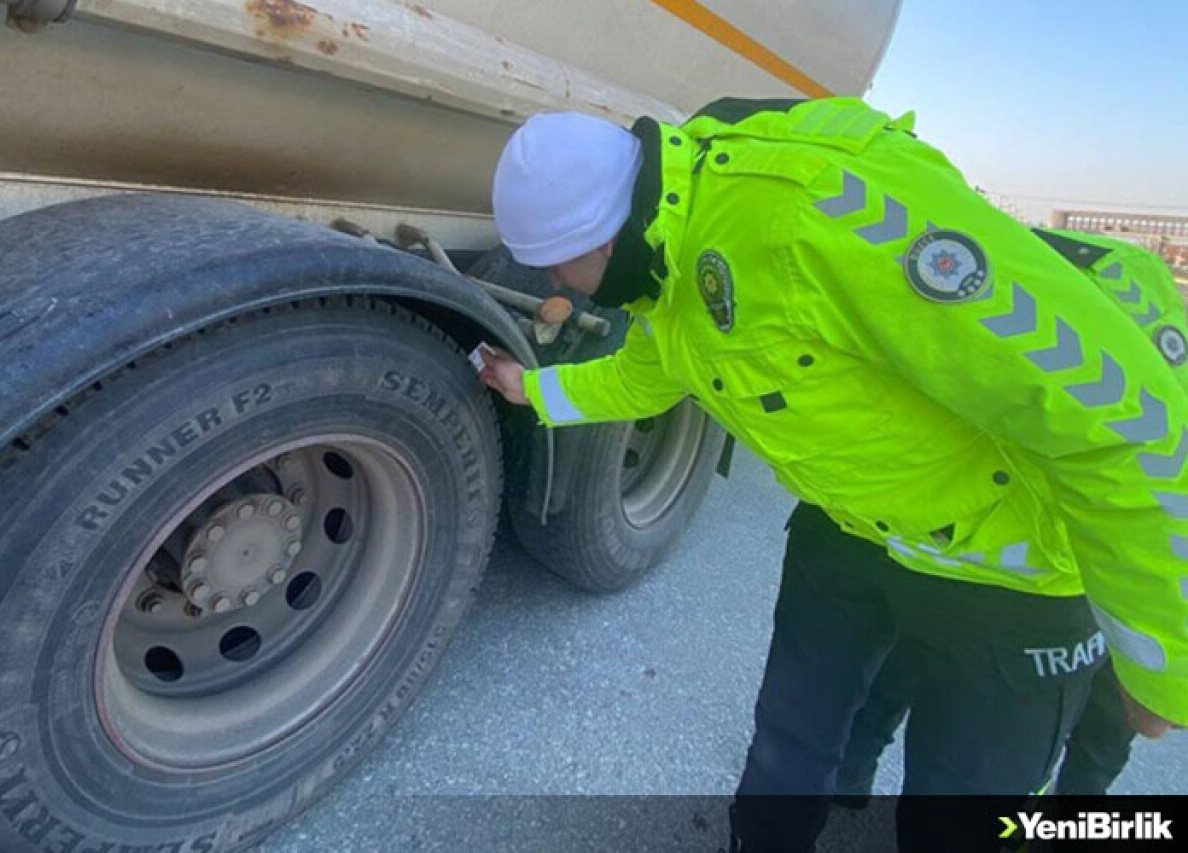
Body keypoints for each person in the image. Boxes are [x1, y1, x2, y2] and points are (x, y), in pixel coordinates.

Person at [478, 99, 1186, 852]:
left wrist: (1161, 672)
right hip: (851, 528)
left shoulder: (821, 218)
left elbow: (1120, 419)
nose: (559, 282)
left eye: (557, 261)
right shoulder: (668, 251)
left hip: (1003, 573)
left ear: (602, 233)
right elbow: (654, 368)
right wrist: (537, 391)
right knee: (790, 747)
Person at [834, 232, 1187, 802]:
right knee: (1070, 750)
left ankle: (848, 782)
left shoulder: (1002, 254)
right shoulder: (1133, 286)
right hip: (1052, 577)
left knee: (899, 684)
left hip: (987, 556)